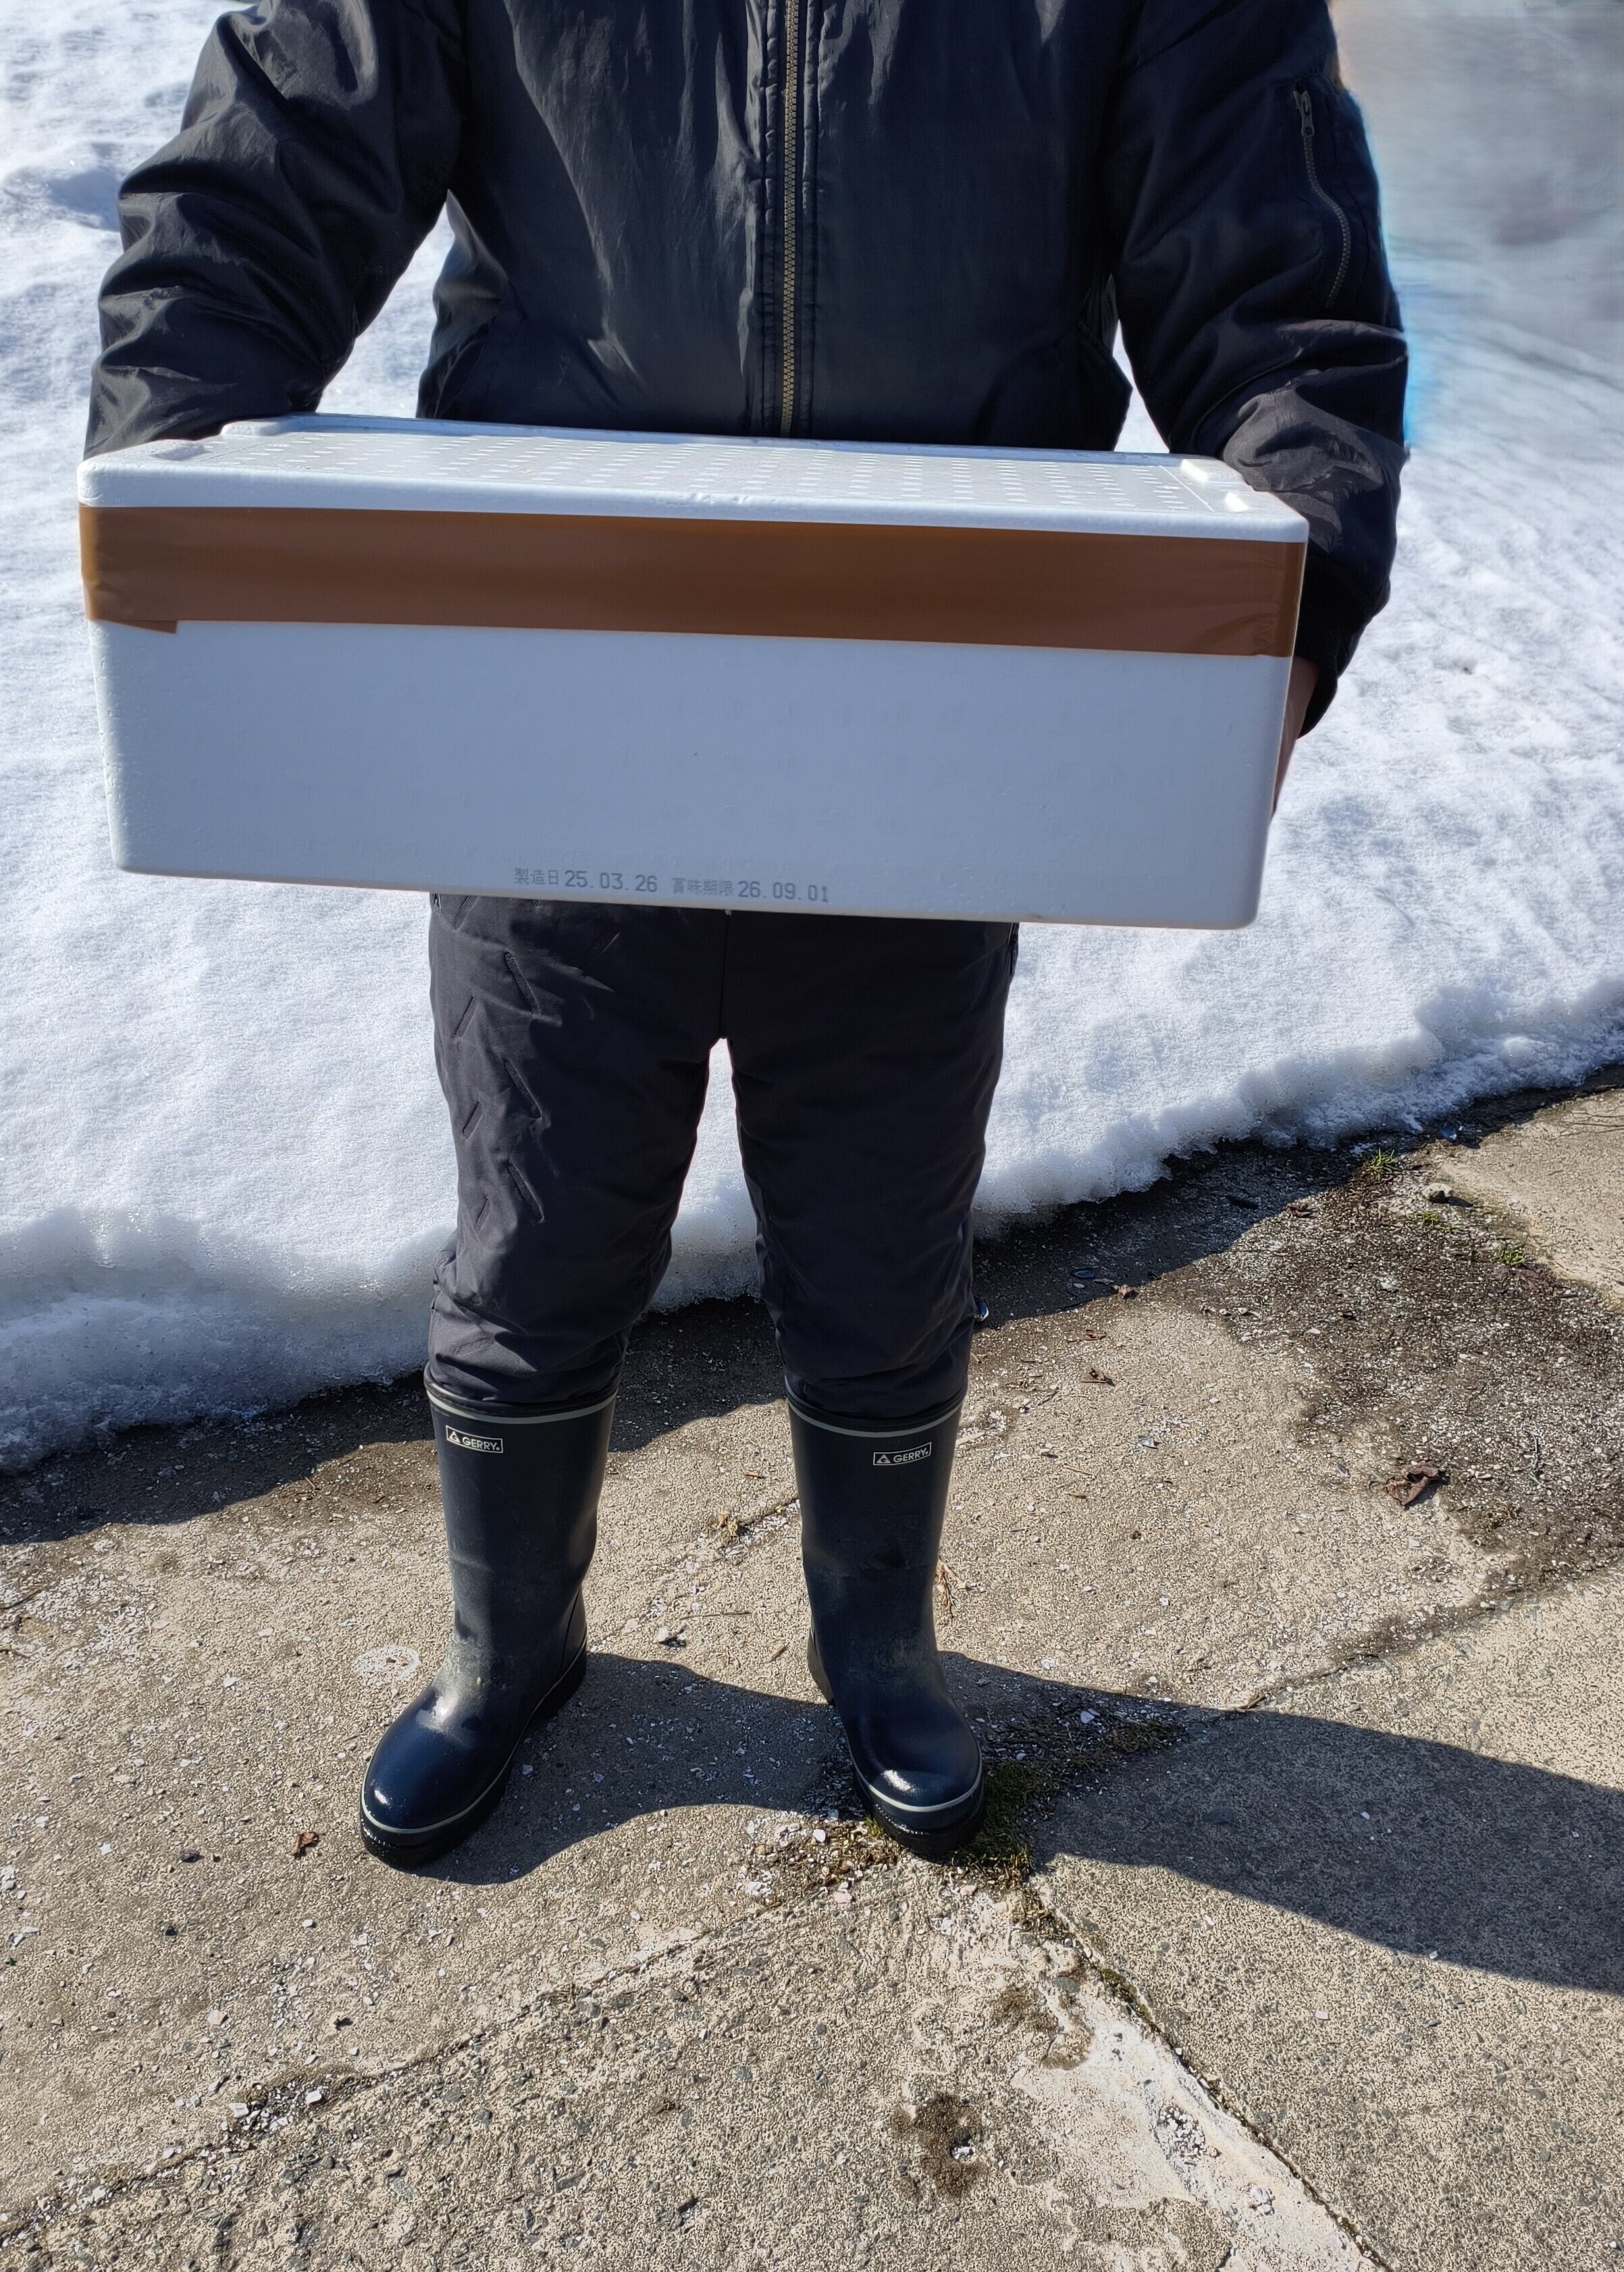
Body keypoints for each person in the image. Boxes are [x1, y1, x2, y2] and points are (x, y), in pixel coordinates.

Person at [88, 0, 1405, 1866]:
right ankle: (508, 1647)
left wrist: (1290, 598)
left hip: (929, 723)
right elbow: (259, 186)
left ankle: (880, 1645)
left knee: (882, 1242)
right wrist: (175, 506)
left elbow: (1275, 282)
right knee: (537, 1231)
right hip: (553, 711)